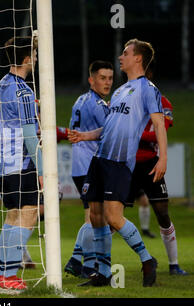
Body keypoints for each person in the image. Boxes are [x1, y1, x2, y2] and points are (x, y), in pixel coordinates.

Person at [68, 38, 167, 287]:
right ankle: (102, 272)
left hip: (119, 162)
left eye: (125, 53)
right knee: (97, 217)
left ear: (137, 58)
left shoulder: (148, 88)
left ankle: (147, 259)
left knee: (114, 217)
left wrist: (163, 157)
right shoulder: (121, 90)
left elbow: (158, 123)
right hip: (99, 159)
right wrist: (84, 135)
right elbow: (108, 126)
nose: (121, 56)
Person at [0, 36, 43, 290]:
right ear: (25, 59)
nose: (35, 59)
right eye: (33, 54)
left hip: (3, 165)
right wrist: (43, 170)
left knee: (13, 216)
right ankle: (10, 276)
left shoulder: (1, 85)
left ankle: (4, 274)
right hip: (21, 164)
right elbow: (30, 137)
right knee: (29, 214)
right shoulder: (23, 90)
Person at [125, 88, 188, 275]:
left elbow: (161, 133)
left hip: (152, 164)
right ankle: (101, 264)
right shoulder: (127, 97)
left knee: (162, 213)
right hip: (128, 164)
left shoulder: (164, 103)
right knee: (113, 214)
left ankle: (174, 265)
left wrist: (136, 133)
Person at [63, 61, 113, 278]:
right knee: (99, 218)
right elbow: (111, 131)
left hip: (79, 165)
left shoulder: (79, 100)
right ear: (92, 79)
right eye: (103, 78)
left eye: (110, 78)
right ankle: (83, 262)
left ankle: (81, 262)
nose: (108, 82)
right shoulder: (98, 105)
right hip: (91, 165)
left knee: (94, 216)